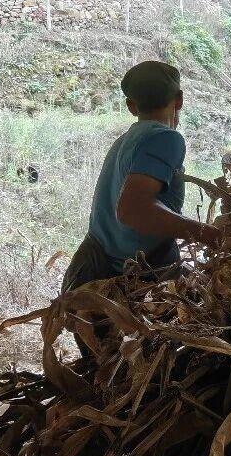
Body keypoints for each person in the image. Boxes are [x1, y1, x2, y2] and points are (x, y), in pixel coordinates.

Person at [64, 60, 222, 294]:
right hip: (131, 290)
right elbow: (133, 209)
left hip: (91, 278)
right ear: (179, 100)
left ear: (131, 106)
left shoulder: (124, 142)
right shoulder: (167, 139)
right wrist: (209, 234)